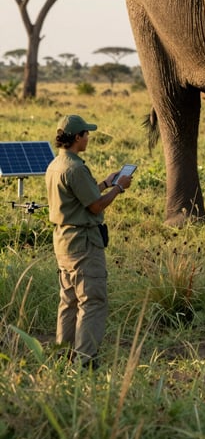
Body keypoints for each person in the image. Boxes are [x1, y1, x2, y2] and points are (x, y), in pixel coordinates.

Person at [45, 114, 133, 368]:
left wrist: (106, 182)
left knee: (69, 300)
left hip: (63, 241)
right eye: (86, 134)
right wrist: (119, 187)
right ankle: (84, 360)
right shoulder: (76, 168)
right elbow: (94, 206)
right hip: (83, 243)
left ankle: (63, 354)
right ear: (76, 137)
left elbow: (79, 195)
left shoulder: (56, 165)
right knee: (92, 300)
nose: (88, 137)